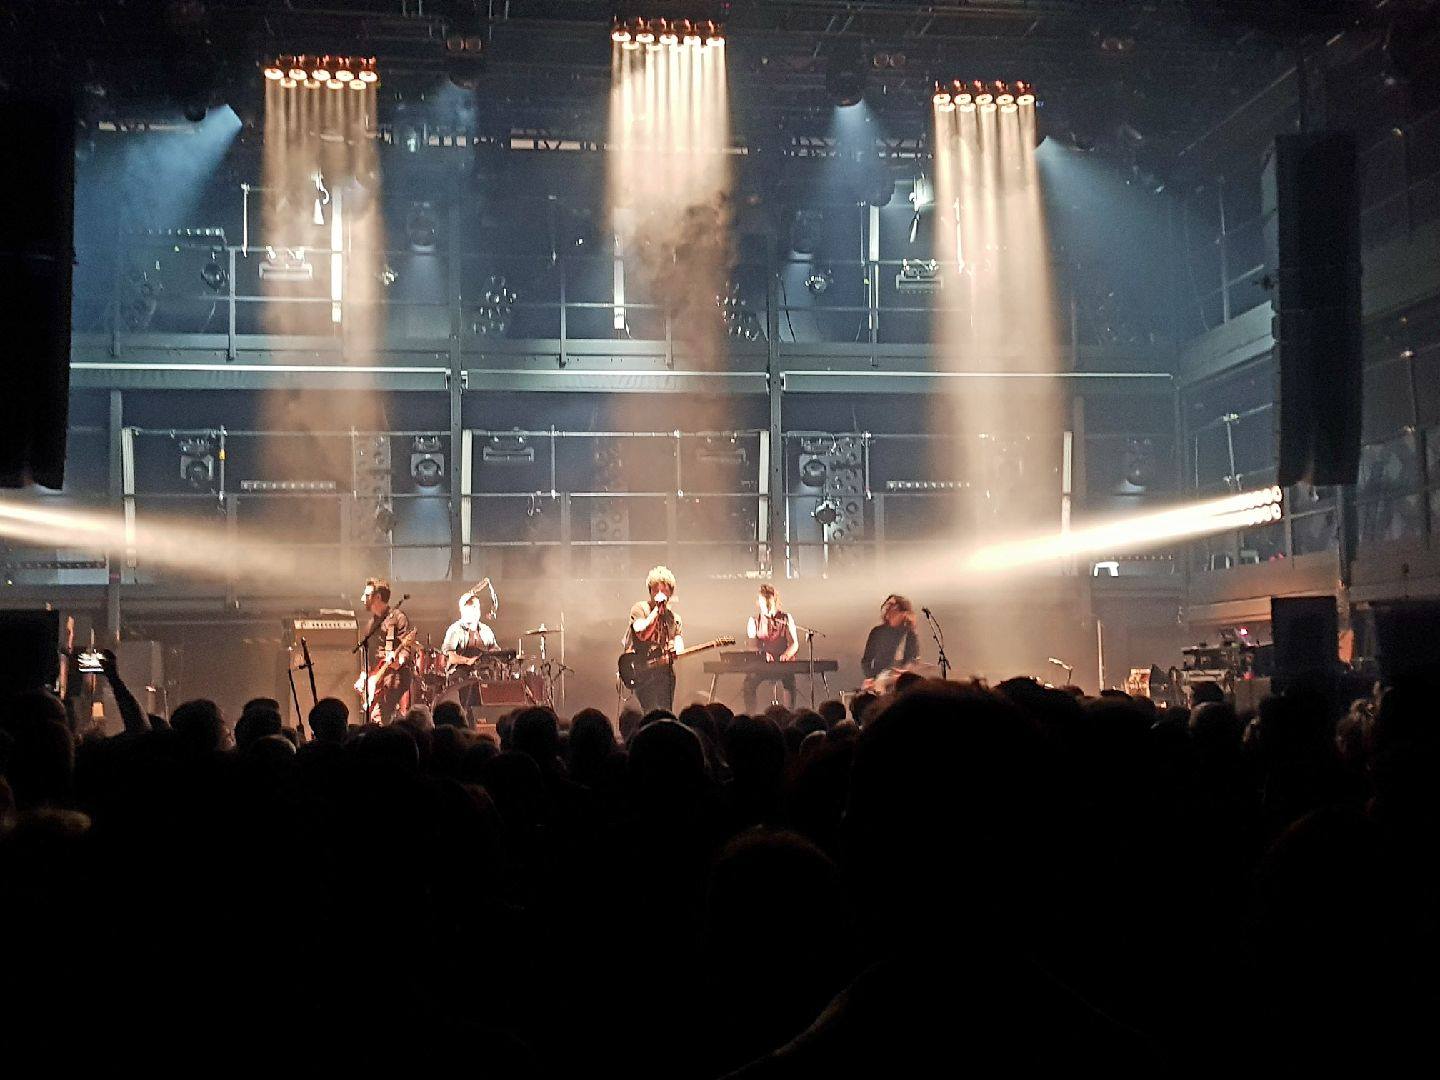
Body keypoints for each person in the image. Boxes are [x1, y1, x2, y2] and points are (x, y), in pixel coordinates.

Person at [624, 565, 685, 713]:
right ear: (650, 591)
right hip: (643, 672)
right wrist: (657, 609)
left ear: (670, 592)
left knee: (666, 712)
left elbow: (679, 644)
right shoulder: (640, 609)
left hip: (665, 674)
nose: (659, 594)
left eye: (663, 590)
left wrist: (676, 648)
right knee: (649, 712)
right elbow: (642, 633)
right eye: (655, 590)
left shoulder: (674, 618)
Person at [354, 577, 413, 724]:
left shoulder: (397, 618)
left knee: (380, 717)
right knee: (373, 718)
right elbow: (369, 656)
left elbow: (405, 647)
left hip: (395, 675)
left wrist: (399, 659)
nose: (362, 599)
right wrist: (363, 676)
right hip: (377, 677)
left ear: (378, 597)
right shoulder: (371, 625)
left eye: (367, 595)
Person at [743, 583, 800, 713]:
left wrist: (787, 655)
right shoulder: (753, 620)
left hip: (782, 662)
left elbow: (794, 643)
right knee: (749, 682)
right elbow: (752, 646)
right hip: (761, 663)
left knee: (789, 680)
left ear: (774, 601)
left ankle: (789, 713)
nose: (767, 607)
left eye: (769, 604)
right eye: (764, 604)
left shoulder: (786, 618)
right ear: (759, 603)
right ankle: (751, 714)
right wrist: (762, 655)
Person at [860, 594, 920, 684]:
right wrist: (871, 677)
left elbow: (913, 660)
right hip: (879, 680)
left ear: (903, 613)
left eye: (893, 605)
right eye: (887, 605)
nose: (888, 608)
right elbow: (866, 660)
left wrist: (904, 672)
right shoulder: (877, 632)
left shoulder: (909, 634)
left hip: (900, 681)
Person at [440, 589, 499, 674]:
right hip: (460, 675)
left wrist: (494, 653)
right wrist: (468, 661)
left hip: (484, 675)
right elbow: (451, 657)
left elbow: (496, 649)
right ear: (462, 610)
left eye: (475, 607)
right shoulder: (455, 630)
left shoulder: (486, 630)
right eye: (469, 607)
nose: (473, 610)